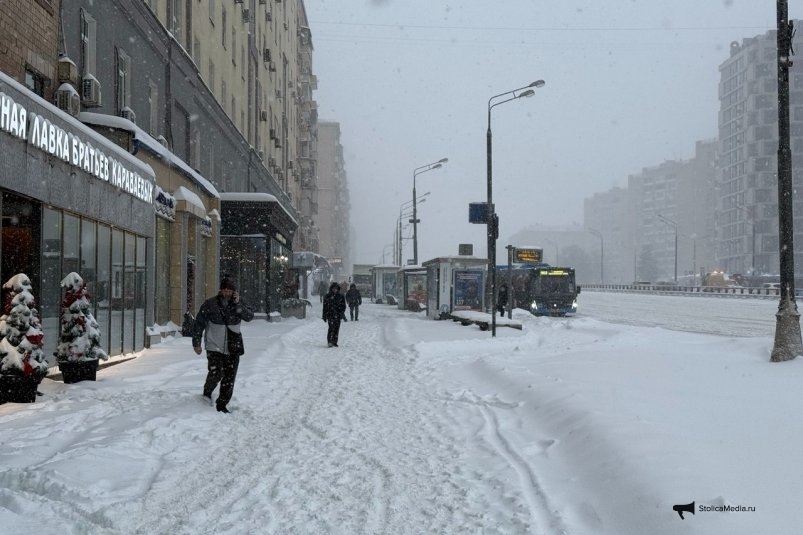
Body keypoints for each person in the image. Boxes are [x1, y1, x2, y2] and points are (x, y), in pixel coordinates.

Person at [192, 277, 254, 413]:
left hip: (233, 346)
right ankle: (207, 393)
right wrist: (196, 343)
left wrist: (238, 304)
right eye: (224, 290)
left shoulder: (240, 303)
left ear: (234, 292)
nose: (226, 293)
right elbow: (199, 323)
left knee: (229, 377)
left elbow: (249, 317)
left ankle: (222, 405)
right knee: (216, 372)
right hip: (214, 345)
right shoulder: (210, 304)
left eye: (229, 291)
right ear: (220, 290)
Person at [322, 281, 346, 347]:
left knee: (336, 329)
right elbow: (325, 306)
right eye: (334, 288)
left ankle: (334, 341)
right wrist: (324, 315)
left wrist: (341, 313)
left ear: (338, 289)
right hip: (330, 315)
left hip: (338, 315)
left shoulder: (341, 296)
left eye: (336, 288)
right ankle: (330, 341)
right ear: (331, 288)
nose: (335, 290)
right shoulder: (327, 296)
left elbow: (343, 306)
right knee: (331, 328)